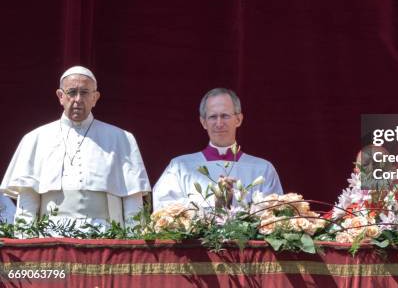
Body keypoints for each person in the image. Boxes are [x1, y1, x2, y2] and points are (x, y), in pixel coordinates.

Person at [0, 66, 151, 230]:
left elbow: (132, 199)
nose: (78, 99)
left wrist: (133, 243)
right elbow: (28, 198)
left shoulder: (121, 138)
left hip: (105, 233)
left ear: (95, 97)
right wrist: (25, 240)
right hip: (51, 235)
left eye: (85, 93)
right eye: (72, 92)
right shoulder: (35, 138)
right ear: (61, 96)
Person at [153, 88, 283, 211]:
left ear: (238, 119)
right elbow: (164, 209)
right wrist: (214, 203)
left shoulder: (263, 169)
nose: (219, 123)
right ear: (203, 122)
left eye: (225, 116)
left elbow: (274, 215)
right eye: (213, 117)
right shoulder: (179, 167)